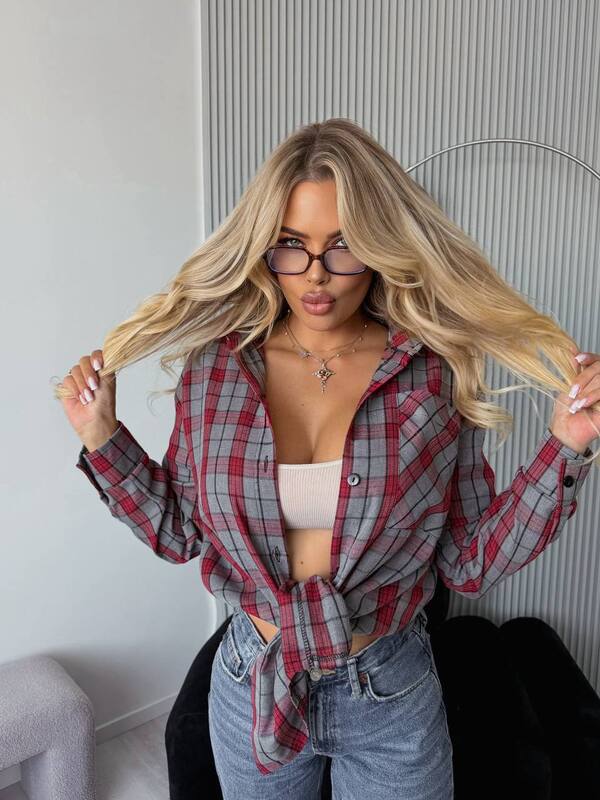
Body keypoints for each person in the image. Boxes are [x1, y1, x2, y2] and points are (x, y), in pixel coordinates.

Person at [54, 118, 599, 799]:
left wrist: (567, 446)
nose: (315, 276)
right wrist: (103, 437)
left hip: (390, 691)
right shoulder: (217, 369)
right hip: (253, 682)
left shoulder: (431, 373)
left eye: (342, 247)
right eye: (292, 245)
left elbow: (469, 559)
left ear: (379, 246)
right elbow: (180, 532)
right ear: (264, 247)